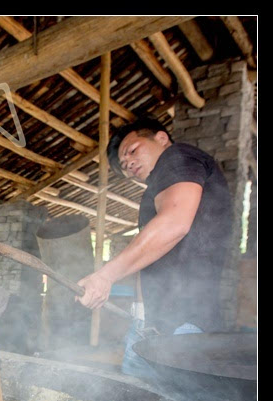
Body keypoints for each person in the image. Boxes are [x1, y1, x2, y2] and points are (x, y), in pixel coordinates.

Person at [75, 118, 233, 378]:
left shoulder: (177, 157)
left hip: (183, 325)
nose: (129, 164)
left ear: (160, 138)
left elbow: (175, 223)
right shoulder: (159, 185)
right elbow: (152, 259)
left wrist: (105, 276)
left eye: (132, 151)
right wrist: (140, 316)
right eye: (124, 166)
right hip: (155, 326)